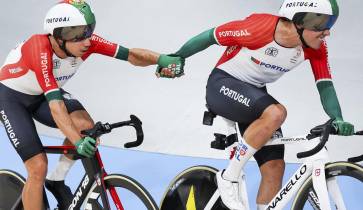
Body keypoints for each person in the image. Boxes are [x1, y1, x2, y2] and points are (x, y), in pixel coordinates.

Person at [156, 0, 354, 209]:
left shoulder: (316, 48)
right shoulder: (259, 28)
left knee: (275, 167)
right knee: (276, 113)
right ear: (300, 22)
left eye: (330, 24)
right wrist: (177, 57)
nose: (327, 33)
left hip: (255, 94)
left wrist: (338, 118)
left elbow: (325, 86)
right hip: (222, 84)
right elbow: (210, 36)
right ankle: (228, 178)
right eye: (322, 24)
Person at [0, 0, 183, 209]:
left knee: (86, 127)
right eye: (78, 34)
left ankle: (57, 179)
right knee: (37, 167)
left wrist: (161, 59)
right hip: (12, 99)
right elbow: (56, 107)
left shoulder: (87, 43)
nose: (87, 40)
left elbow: (132, 55)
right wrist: (77, 143)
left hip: (41, 93)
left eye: (89, 30)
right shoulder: (38, 49)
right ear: (58, 37)